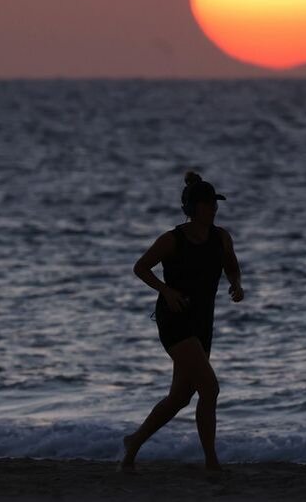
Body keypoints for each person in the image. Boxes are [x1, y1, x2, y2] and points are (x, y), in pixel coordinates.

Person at [119, 170, 244, 472]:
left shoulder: (221, 237)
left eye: (215, 204)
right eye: (207, 204)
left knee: (180, 397)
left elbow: (231, 263)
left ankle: (134, 442)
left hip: (202, 322)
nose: (213, 209)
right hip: (174, 320)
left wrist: (236, 284)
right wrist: (166, 290)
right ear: (192, 209)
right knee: (210, 389)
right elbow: (141, 268)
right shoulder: (172, 240)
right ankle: (212, 462)